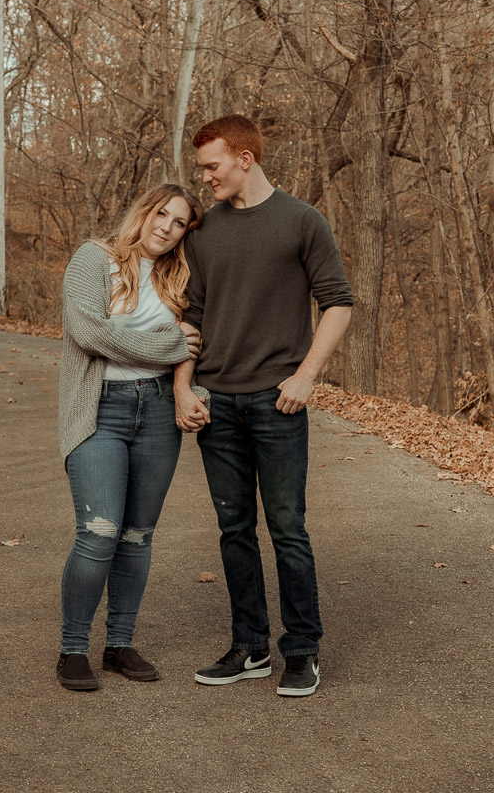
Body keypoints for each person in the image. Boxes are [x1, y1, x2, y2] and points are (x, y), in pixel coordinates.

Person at [173, 114, 353, 698]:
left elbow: (338, 302)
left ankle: (301, 651)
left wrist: (305, 376)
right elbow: (193, 318)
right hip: (217, 405)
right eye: (203, 169)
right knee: (234, 529)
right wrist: (183, 388)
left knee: (287, 528)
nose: (206, 178)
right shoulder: (203, 232)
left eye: (212, 166)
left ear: (244, 158)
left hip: (279, 404)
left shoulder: (301, 221)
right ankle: (249, 647)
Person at [56, 183, 205, 692]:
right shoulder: (93, 260)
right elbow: (88, 332)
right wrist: (167, 343)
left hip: (158, 412)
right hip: (99, 411)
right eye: (162, 214)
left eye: (179, 222)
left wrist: (191, 387)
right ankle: (73, 648)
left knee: (138, 535)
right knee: (99, 532)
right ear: (144, 212)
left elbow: (195, 347)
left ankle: (119, 644)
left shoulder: (178, 277)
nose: (167, 227)